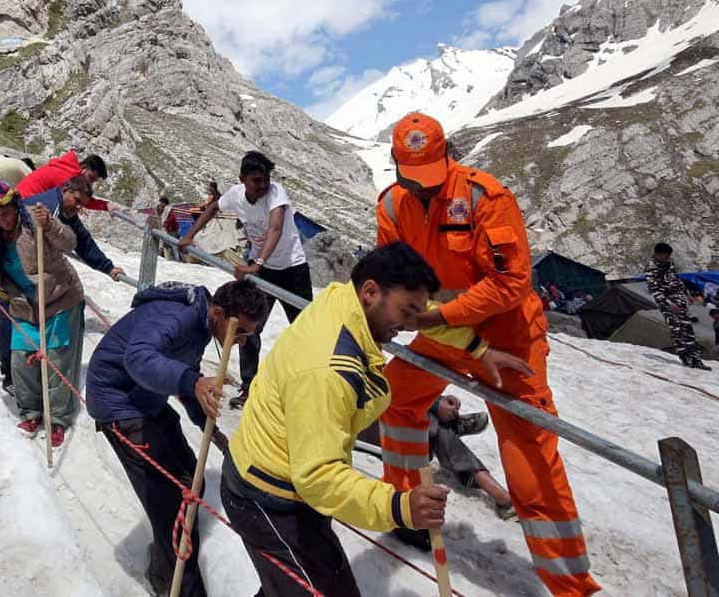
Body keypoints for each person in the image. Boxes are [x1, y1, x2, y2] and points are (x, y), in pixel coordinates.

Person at [223, 242, 528, 597]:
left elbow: (424, 314)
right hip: (269, 497)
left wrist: (476, 348)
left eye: (416, 310)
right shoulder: (328, 371)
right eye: (406, 311)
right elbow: (318, 476)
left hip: (282, 476)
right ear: (370, 291)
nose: (412, 323)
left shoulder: (344, 300)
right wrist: (399, 507)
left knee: (290, 585)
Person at [375, 113, 599, 596]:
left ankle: (571, 586)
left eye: (431, 178)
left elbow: (511, 282)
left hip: (507, 340)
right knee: (396, 399)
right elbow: (390, 271)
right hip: (446, 333)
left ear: (448, 155)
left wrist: (438, 317)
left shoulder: (484, 196)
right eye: (413, 179)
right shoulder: (392, 206)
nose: (424, 190)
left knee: (529, 457)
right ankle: (407, 510)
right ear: (395, 166)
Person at [87, 279, 268, 597]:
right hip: (119, 403)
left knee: (190, 478)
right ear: (218, 312)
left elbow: (187, 377)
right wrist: (192, 381)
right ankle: (179, 587)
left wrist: (205, 424)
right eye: (239, 333)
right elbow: (138, 358)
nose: (240, 342)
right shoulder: (178, 319)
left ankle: (164, 565)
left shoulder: (202, 326)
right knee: (172, 499)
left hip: (147, 399)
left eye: (247, 337)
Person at [178, 151, 312, 408]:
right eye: (256, 181)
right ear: (242, 179)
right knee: (248, 328)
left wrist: (256, 263)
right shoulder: (236, 195)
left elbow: (275, 228)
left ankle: (305, 389)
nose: (262, 186)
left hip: (293, 269)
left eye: (265, 180)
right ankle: (250, 386)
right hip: (262, 269)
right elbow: (213, 208)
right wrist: (190, 235)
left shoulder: (276, 193)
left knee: (306, 329)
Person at [0, 176, 126, 394]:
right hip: (14, 284)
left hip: (42, 290)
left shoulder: (64, 211)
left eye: (82, 204)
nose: (78, 207)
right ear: (65, 189)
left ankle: (31, 382)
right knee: (11, 329)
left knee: (39, 340)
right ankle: (10, 374)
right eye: (76, 200)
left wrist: (108, 267)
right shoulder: (42, 208)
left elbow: (80, 241)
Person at [0, 183, 83, 446]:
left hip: (60, 300)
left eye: (5, 212)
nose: (2, 220)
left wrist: (49, 224)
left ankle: (57, 418)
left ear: (15, 206)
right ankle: (31, 411)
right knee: (20, 360)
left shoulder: (34, 220)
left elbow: (70, 241)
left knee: (58, 361)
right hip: (24, 306)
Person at [361, 395, 515, 519]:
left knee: (422, 414)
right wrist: (434, 404)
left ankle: (448, 425)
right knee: (420, 416)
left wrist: (436, 400)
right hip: (369, 427)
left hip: (382, 417)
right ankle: (451, 425)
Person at [646, 243, 710, 371]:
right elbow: (656, 291)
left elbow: (676, 279)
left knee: (688, 330)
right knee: (677, 331)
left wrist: (687, 294)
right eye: (665, 256)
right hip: (668, 303)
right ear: (658, 254)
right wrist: (670, 304)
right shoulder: (651, 269)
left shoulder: (670, 262)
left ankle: (696, 359)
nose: (668, 258)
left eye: (669, 256)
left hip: (679, 299)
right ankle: (686, 359)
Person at [16, 149, 111, 210]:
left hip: (22, 199)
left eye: (93, 181)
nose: (90, 183)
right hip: (25, 204)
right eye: (91, 178)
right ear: (83, 168)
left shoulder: (66, 168)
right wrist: (106, 205)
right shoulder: (69, 176)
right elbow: (82, 199)